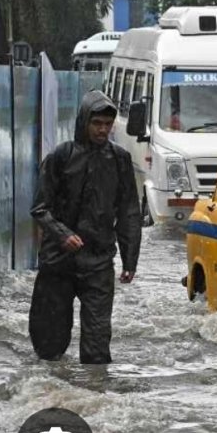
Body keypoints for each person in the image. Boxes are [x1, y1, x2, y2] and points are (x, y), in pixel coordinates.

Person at [28, 90, 142, 364]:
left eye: (107, 124)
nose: (102, 130)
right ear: (84, 122)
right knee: (49, 345)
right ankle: (52, 394)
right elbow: (39, 208)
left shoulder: (119, 160)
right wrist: (62, 234)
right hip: (58, 262)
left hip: (99, 262)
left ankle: (94, 393)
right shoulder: (61, 156)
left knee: (97, 345)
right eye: (97, 124)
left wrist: (130, 260)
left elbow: (129, 212)